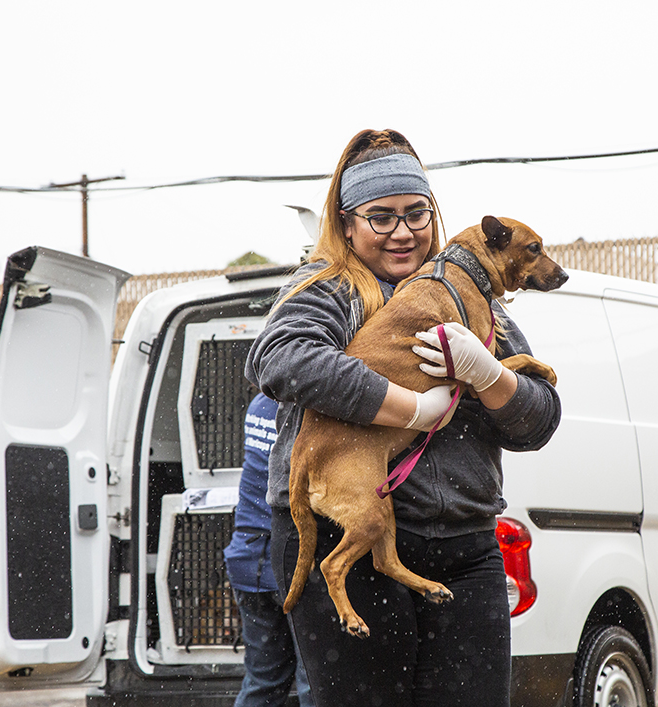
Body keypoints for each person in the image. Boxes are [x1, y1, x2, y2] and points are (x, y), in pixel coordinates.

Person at [244, 128, 561, 707]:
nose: (403, 232)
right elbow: (279, 358)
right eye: (381, 217)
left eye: (416, 214)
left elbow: (538, 422)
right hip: (353, 539)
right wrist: (409, 406)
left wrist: (491, 376)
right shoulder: (328, 290)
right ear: (347, 224)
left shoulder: (473, 296)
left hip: (466, 549)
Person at [223, 392, 314, 707]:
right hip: (290, 559)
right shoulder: (313, 406)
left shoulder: (261, 402)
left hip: (248, 558)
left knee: (264, 681)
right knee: (314, 682)